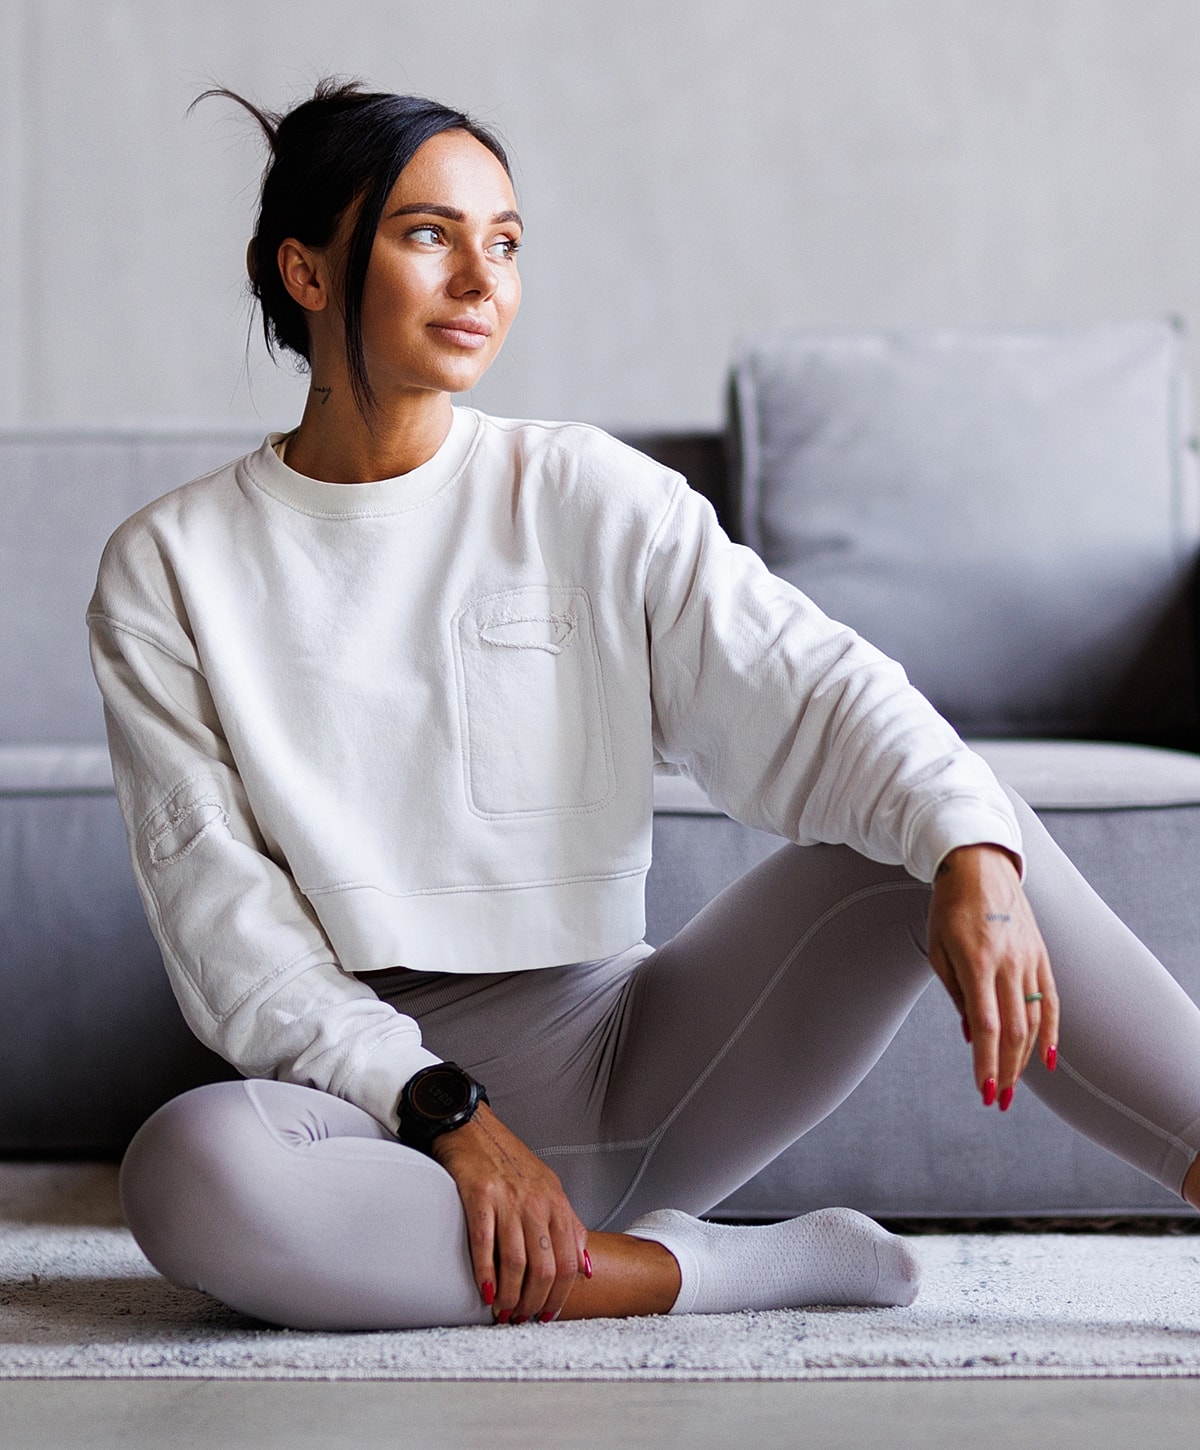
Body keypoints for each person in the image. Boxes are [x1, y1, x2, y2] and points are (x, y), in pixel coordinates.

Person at [88, 80, 1200, 1332]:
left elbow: (815, 689)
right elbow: (228, 930)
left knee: (956, 818)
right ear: (305, 268)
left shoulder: (586, 493)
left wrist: (975, 862)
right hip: (372, 1121)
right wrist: (446, 1114)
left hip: (639, 1068)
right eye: (427, 234)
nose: (480, 279)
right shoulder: (169, 568)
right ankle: (719, 1273)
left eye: (504, 242)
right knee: (189, 1175)